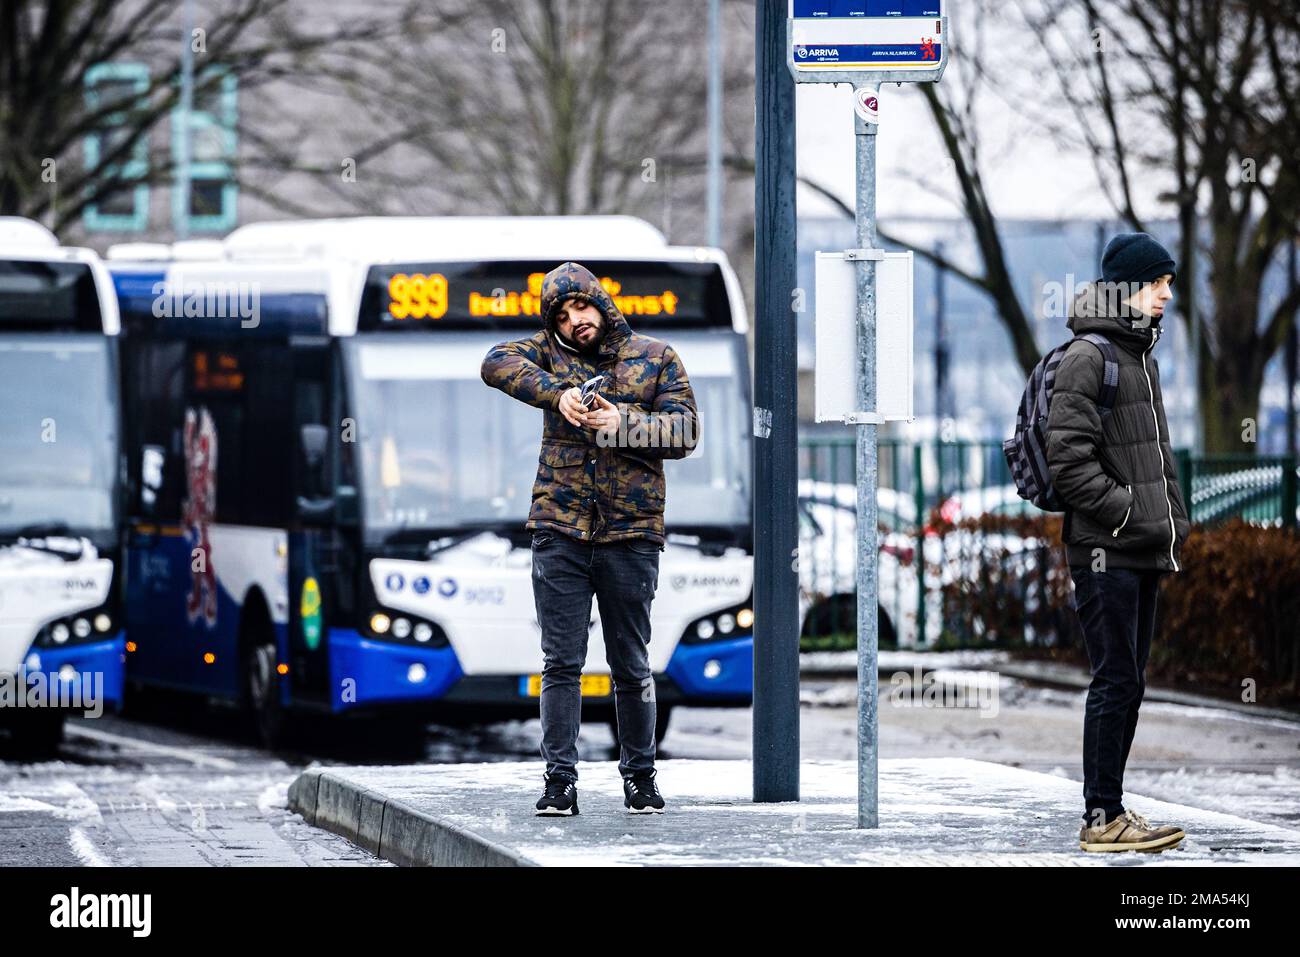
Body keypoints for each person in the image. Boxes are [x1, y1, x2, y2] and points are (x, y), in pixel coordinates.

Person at [480, 261, 699, 816]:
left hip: (632, 533)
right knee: (561, 662)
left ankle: (641, 779)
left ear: (601, 304)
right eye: (562, 314)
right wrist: (558, 397)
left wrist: (618, 423)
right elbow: (494, 362)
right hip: (559, 529)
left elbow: (686, 431)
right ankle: (559, 782)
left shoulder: (656, 357)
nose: (576, 319)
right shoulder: (546, 356)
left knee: (631, 662)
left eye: (582, 306)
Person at [1045, 232, 1192, 853]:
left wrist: (1174, 521)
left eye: (1167, 283)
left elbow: (1157, 458)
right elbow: (1068, 460)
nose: (1166, 293)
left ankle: (1112, 811)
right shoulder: (1091, 356)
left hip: (1142, 547)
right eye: (1157, 282)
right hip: (1106, 550)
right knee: (1114, 680)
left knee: (1129, 681)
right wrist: (1130, 514)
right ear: (1129, 286)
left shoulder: (1140, 359)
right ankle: (1100, 816)